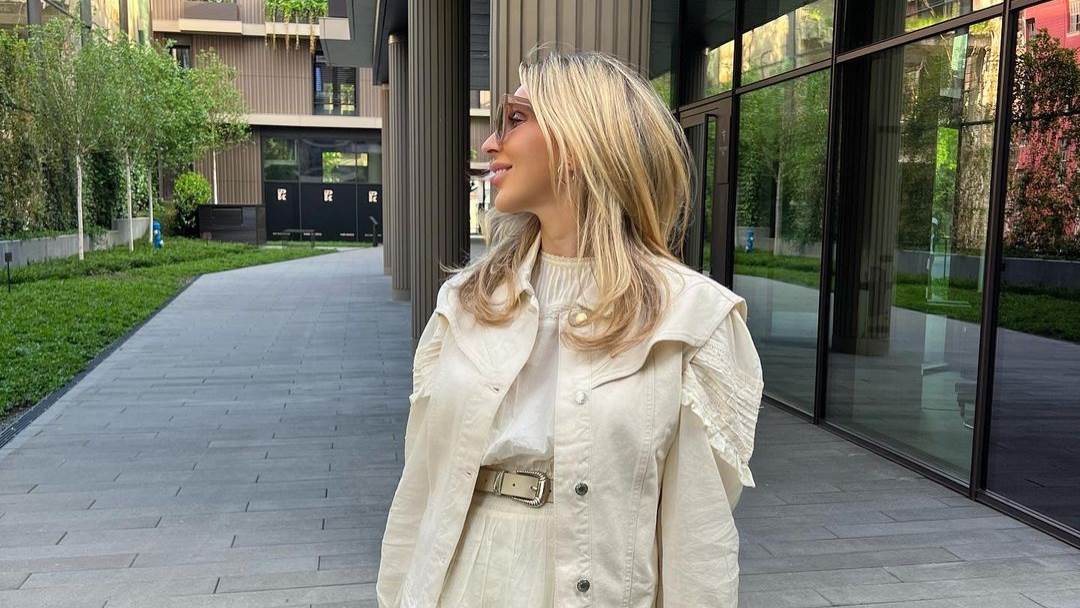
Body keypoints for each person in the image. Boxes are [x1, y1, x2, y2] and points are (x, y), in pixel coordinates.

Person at [376, 45, 764, 608]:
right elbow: (420, 485)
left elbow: (698, 541)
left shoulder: (691, 320)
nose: (490, 144)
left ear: (581, 140)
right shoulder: (465, 303)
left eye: (515, 119)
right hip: (456, 584)